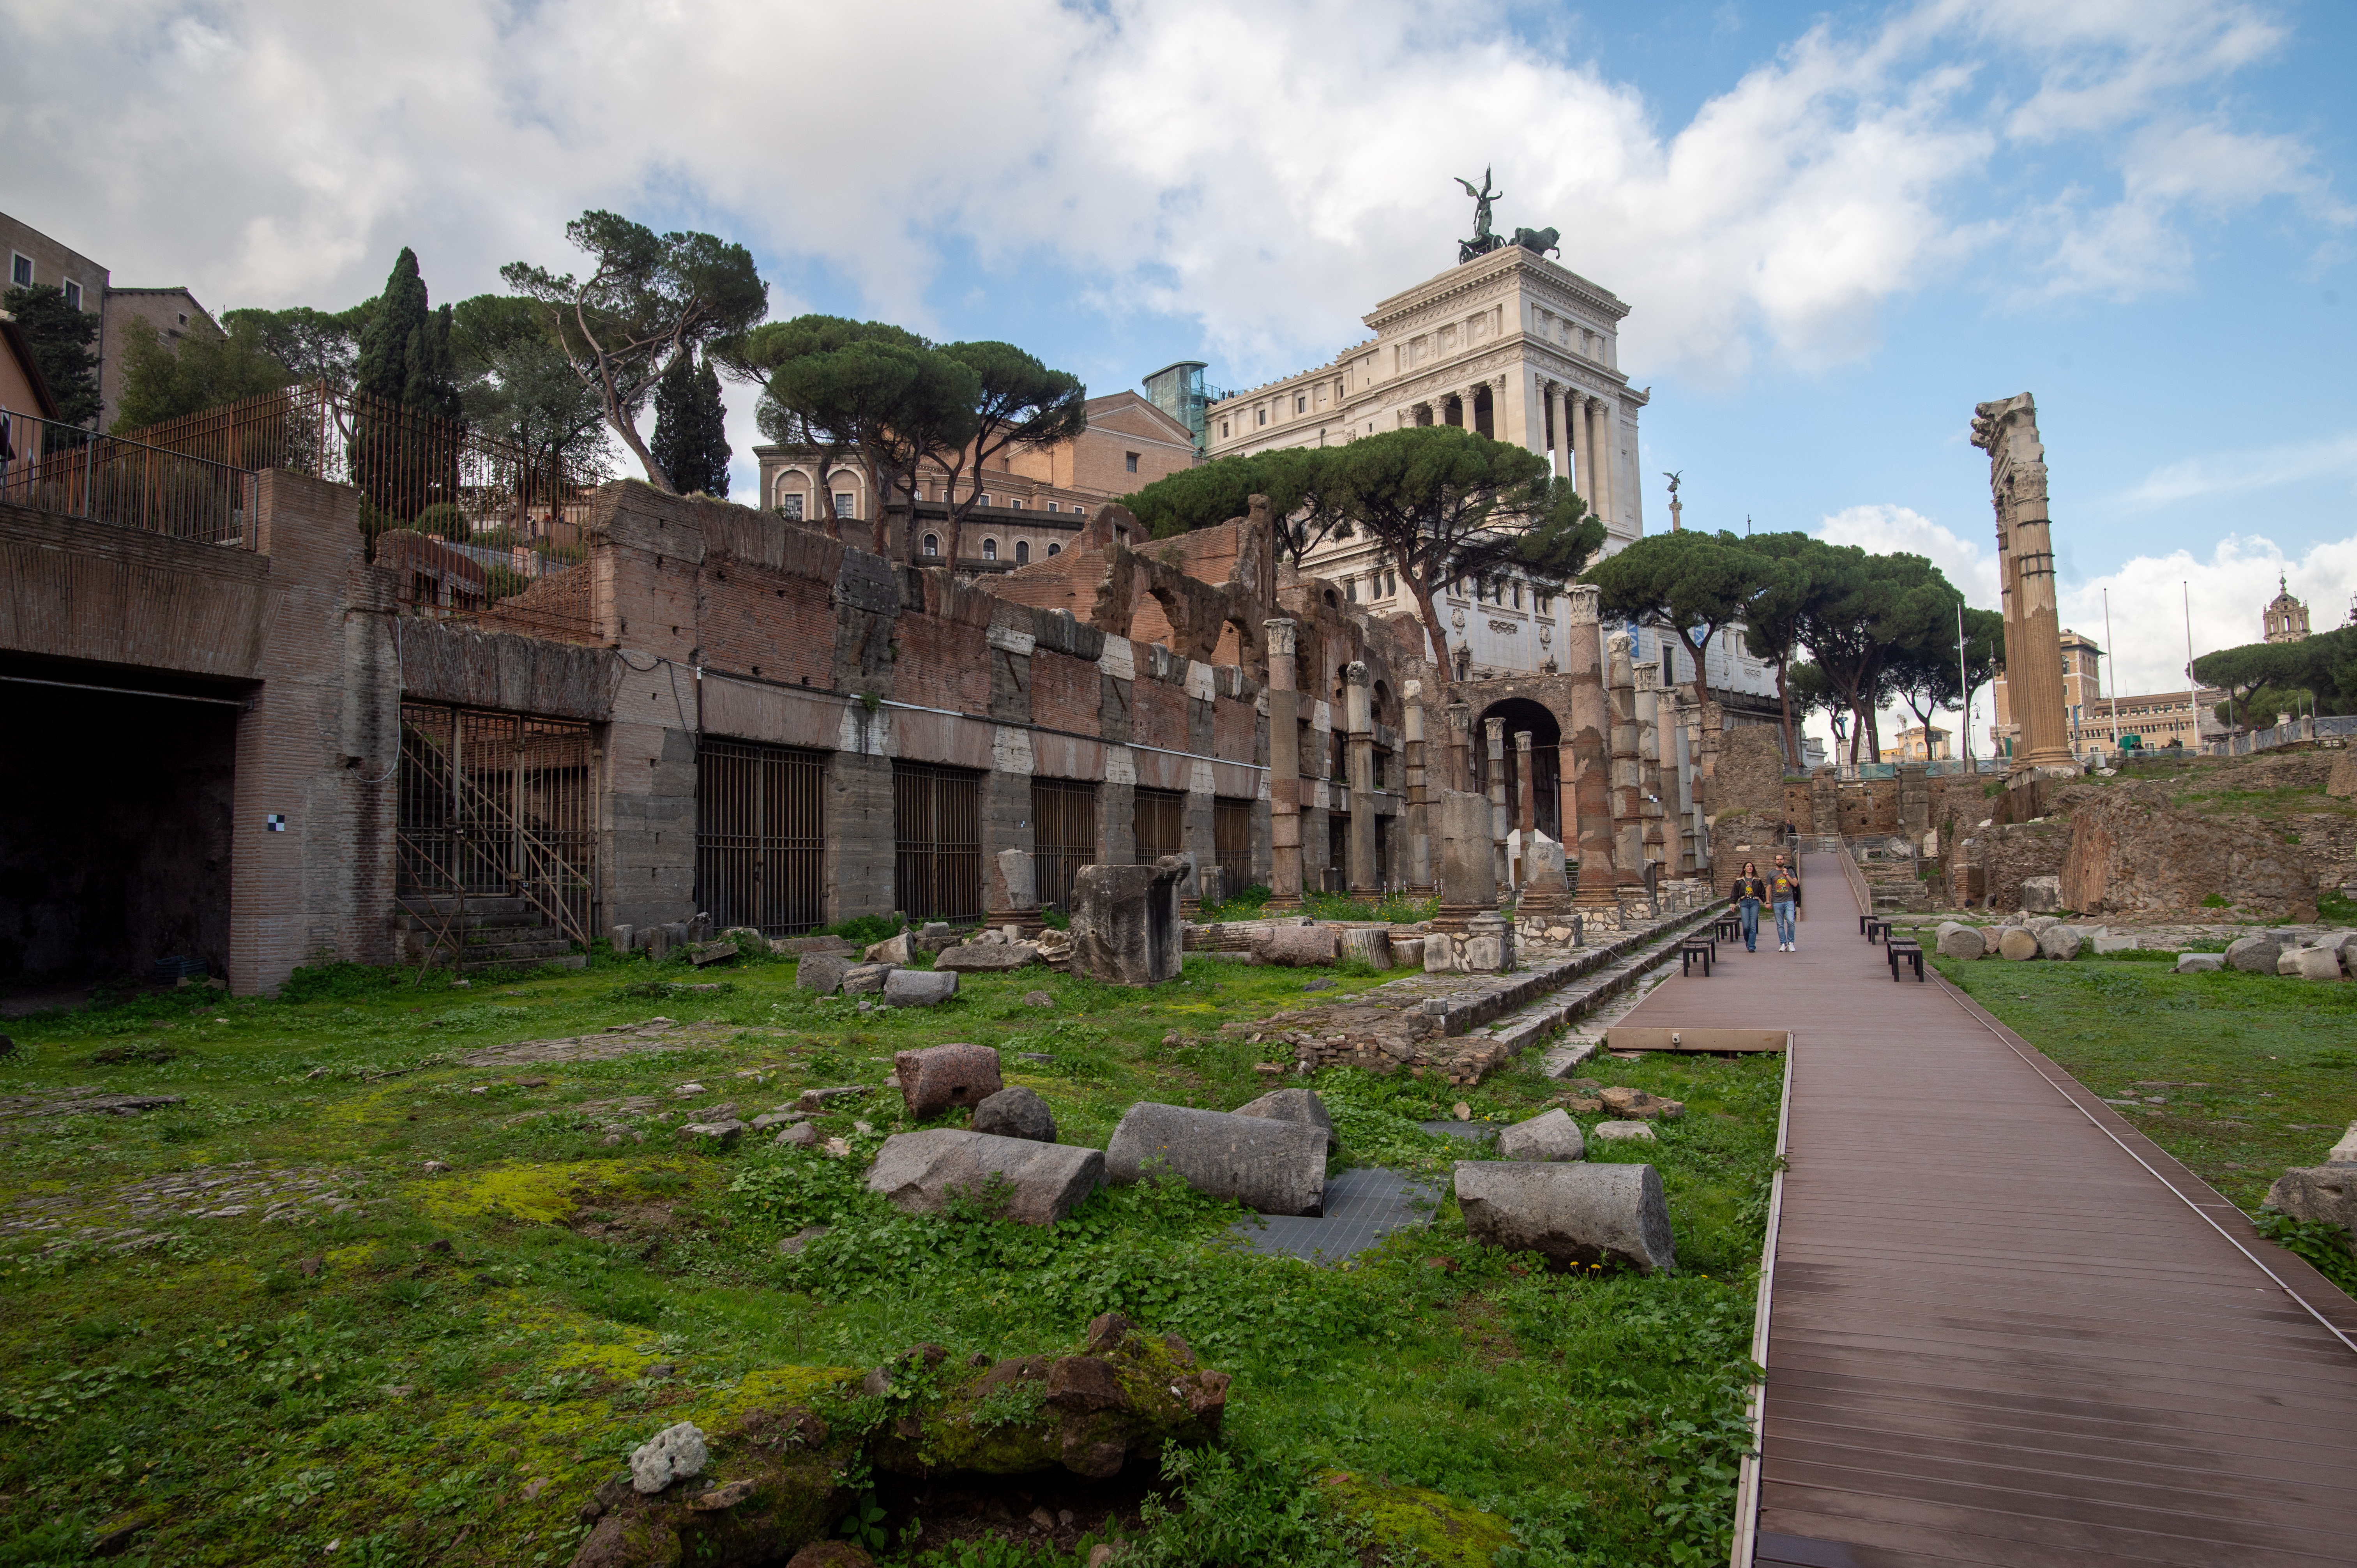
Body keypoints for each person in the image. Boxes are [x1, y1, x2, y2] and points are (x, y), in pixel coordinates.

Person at [1733, 862, 1767, 953]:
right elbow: (1735, 893)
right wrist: (1733, 904)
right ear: (1744, 869)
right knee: (1746, 926)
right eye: (1748, 866)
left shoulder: (1757, 880)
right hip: (1744, 903)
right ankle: (1748, 941)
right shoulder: (1739, 881)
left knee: (1753, 926)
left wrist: (1766, 902)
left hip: (1754, 903)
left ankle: (1751, 946)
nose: (1750, 868)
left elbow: (1762, 892)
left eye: (1751, 866)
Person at [1769, 858, 1801, 952]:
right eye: (1778, 860)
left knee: (1791, 921)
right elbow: (1769, 887)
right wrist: (1767, 901)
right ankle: (1783, 944)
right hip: (1777, 902)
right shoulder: (1771, 873)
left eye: (1781, 859)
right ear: (1775, 861)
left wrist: (1786, 874)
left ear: (1784, 861)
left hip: (1789, 901)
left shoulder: (1790, 871)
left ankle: (1791, 943)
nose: (1780, 861)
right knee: (1780, 924)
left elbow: (1795, 884)